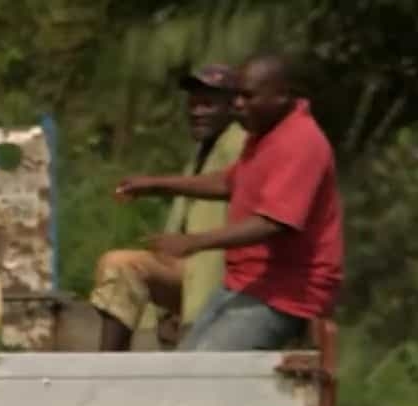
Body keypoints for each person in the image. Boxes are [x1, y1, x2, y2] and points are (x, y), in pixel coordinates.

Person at [115, 53, 344, 351]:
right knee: (183, 365)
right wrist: (156, 184)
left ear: (282, 96)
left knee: (206, 373)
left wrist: (195, 242)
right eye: (236, 96)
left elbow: (274, 222)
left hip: (286, 294)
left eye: (248, 96)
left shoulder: (300, 142)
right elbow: (228, 182)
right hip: (245, 282)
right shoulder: (263, 133)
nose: (238, 105)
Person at [91, 64, 247, 351]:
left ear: (232, 106)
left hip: (221, 272)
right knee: (121, 267)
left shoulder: (238, 142)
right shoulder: (204, 149)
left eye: (208, 104)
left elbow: (229, 185)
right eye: (193, 104)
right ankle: (110, 367)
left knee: (120, 265)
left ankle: (108, 368)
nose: (197, 112)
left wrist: (155, 184)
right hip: (192, 266)